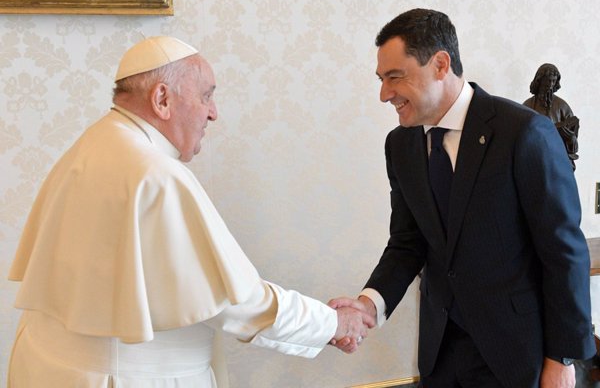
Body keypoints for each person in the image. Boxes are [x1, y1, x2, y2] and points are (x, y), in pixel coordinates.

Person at [7, 36, 373, 387]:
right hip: (130, 378)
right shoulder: (155, 174)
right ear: (162, 98)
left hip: (49, 367)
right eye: (206, 96)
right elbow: (238, 303)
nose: (213, 113)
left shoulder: (93, 144)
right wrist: (332, 324)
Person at [329, 9, 596, 388]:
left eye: (394, 77)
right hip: (440, 353)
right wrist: (369, 304)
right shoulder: (401, 145)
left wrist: (561, 358)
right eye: (381, 79)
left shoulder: (524, 133)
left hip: (519, 354)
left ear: (440, 64)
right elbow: (407, 243)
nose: (384, 94)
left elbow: (563, 252)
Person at [523, 63, 580, 170]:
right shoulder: (527, 105)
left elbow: (573, 134)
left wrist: (570, 137)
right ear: (539, 81)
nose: (550, 85)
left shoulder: (562, 106)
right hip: (535, 156)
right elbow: (520, 133)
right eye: (548, 81)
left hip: (557, 157)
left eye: (553, 81)